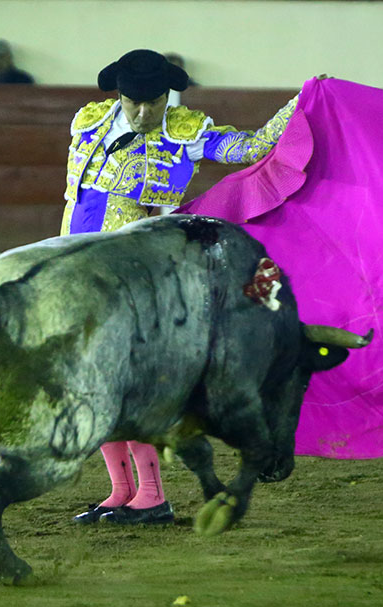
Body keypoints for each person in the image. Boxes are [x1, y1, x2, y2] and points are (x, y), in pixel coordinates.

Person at [63, 49, 300, 526]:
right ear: (118, 95)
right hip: (75, 264)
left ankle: (151, 497)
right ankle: (120, 491)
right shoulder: (87, 122)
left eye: (154, 102)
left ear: (166, 95)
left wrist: (301, 102)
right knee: (92, 382)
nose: (145, 113)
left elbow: (253, 149)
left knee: (133, 385)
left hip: (142, 276)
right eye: (135, 103)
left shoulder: (184, 132)